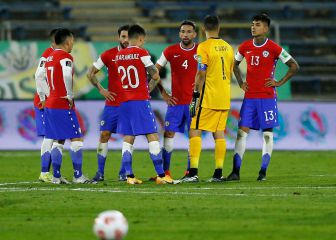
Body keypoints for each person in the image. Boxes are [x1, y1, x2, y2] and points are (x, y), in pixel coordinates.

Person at [226, 13, 299, 181]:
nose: (253, 27)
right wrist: (240, 82)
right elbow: (234, 65)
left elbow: (294, 66)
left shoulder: (274, 48)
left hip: (267, 97)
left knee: (267, 134)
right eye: (252, 24)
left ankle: (262, 172)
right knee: (241, 133)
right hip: (250, 97)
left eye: (257, 24)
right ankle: (235, 172)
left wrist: (279, 82)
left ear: (266, 28)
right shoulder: (245, 47)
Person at [115, 24, 174, 185]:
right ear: (140, 39)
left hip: (125, 101)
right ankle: (161, 175)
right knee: (152, 135)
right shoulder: (142, 52)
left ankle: (129, 176)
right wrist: (149, 86)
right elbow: (155, 74)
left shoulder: (119, 56)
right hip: (139, 100)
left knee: (128, 137)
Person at [180, 15, 234, 183]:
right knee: (219, 135)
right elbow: (230, 71)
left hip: (207, 97)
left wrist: (195, 95)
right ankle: (218, 174)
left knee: (194, 130)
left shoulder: (203, 47)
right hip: (224, 98)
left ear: (203, 29)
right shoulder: (228, 47)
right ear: (219, 28)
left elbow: (201, 72)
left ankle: (193, 173)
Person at [44, 28, 92, 184]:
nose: (73, 44)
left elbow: (39, 76)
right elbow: (66, 74)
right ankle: (78, 176)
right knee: (76, 137)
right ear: (68, 41)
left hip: (51, 101)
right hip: (62, 103)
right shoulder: (66, 56)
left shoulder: (49, 57)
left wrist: (44, 94)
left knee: (59, 139)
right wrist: (69, 94)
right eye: (72, 41)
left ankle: (56, 176)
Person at [155, 20, 198, 178]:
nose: (185, 34)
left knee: (193, 137)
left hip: (195, 102)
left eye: (189, 32)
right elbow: (154, 71)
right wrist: (164, 93)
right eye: (182, 31)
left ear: (194, 34)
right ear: (179, 34)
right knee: (168, 135)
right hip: (176, 102)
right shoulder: (170, 51)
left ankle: (190, 171)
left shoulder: (201, 50)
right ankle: (166, 172)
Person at [87, 25, 130, 182]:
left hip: (130, 105)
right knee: (104, 135)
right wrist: (101, 89)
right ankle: (100, 172)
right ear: (119, 37)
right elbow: (90, 73)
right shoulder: (108, 55)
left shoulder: (139, 55)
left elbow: (153, 75)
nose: (126, 40)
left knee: (128, 137)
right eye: (123, 37)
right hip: (112, 105)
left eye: (129, 37)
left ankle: (123, 172)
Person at [34, 28, 59, 182]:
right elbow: (38, 75)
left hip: (53, 100)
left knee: (56, 136)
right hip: (46, 101)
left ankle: (51, 172)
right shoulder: (48, 53)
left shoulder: (58, 54)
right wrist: (45, 97)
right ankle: (44, 172)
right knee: (50, 136)